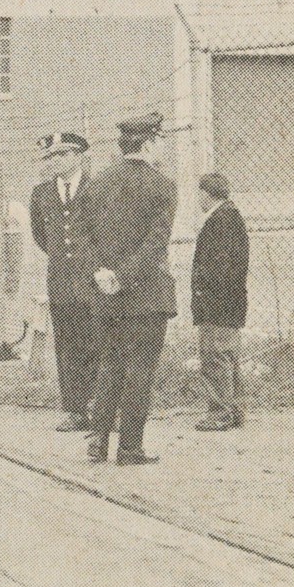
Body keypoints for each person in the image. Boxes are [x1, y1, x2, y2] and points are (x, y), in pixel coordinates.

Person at [81, 113, 178, 465]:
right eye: (161, 140)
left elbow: (83, 237)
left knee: (110, 365)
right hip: (146, 296)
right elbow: (156, 242)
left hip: (105, 295)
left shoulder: (97, 183)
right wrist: (123, 275)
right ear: (149, 143)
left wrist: (101, 273)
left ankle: (98, 441)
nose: (162, 146)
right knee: (140, 370)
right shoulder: (162, 185)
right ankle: (130, 447)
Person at [28, 131, 96, 432]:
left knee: (98, 342)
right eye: (51, 157)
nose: (55, 161)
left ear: (78, 156)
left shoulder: (96, 188)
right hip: (60, 282)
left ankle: (103, 407)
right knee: (68, 345)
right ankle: (76, 410)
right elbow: (42, 237)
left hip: (92, 281)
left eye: (61, 155)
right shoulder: (41, 194)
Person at [190, 172, 249, 432]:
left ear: (205, 193)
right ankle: (234, 409)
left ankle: (219, 413)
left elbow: (220, 266)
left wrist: (206, 295)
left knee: (215, 357)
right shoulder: (230, 215)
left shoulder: (220, 220)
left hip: (218, 303)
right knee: (229, 356)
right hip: (229, 302)